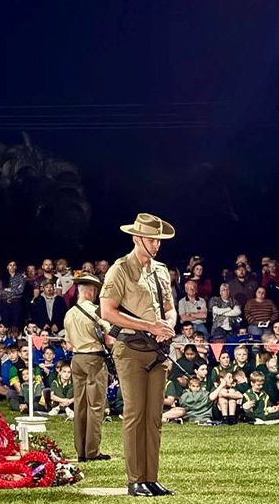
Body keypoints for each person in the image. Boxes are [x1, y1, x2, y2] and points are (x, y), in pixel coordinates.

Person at [99, 213, 177, 497]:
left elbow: (169, 307)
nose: (156, 244)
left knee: (154, 416)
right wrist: (149, 326)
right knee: (134, 413)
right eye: (151, 239)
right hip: (130, 348)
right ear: (136, 238)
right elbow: (108, 312)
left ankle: (151, 478)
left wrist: (168, 324)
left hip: (157, 350)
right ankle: (135, 479)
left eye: (159, 239)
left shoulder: (161, 270)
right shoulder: (119, 269)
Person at [64, 272, 111, 463]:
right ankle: (92, 451)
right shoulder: (95, 311)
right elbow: (109, 338)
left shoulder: (69, 314)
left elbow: (68, 344)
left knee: (80, 405)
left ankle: (81, 451)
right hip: (94, 359)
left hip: (77, 359)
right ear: (91, 292)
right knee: (96, 406)